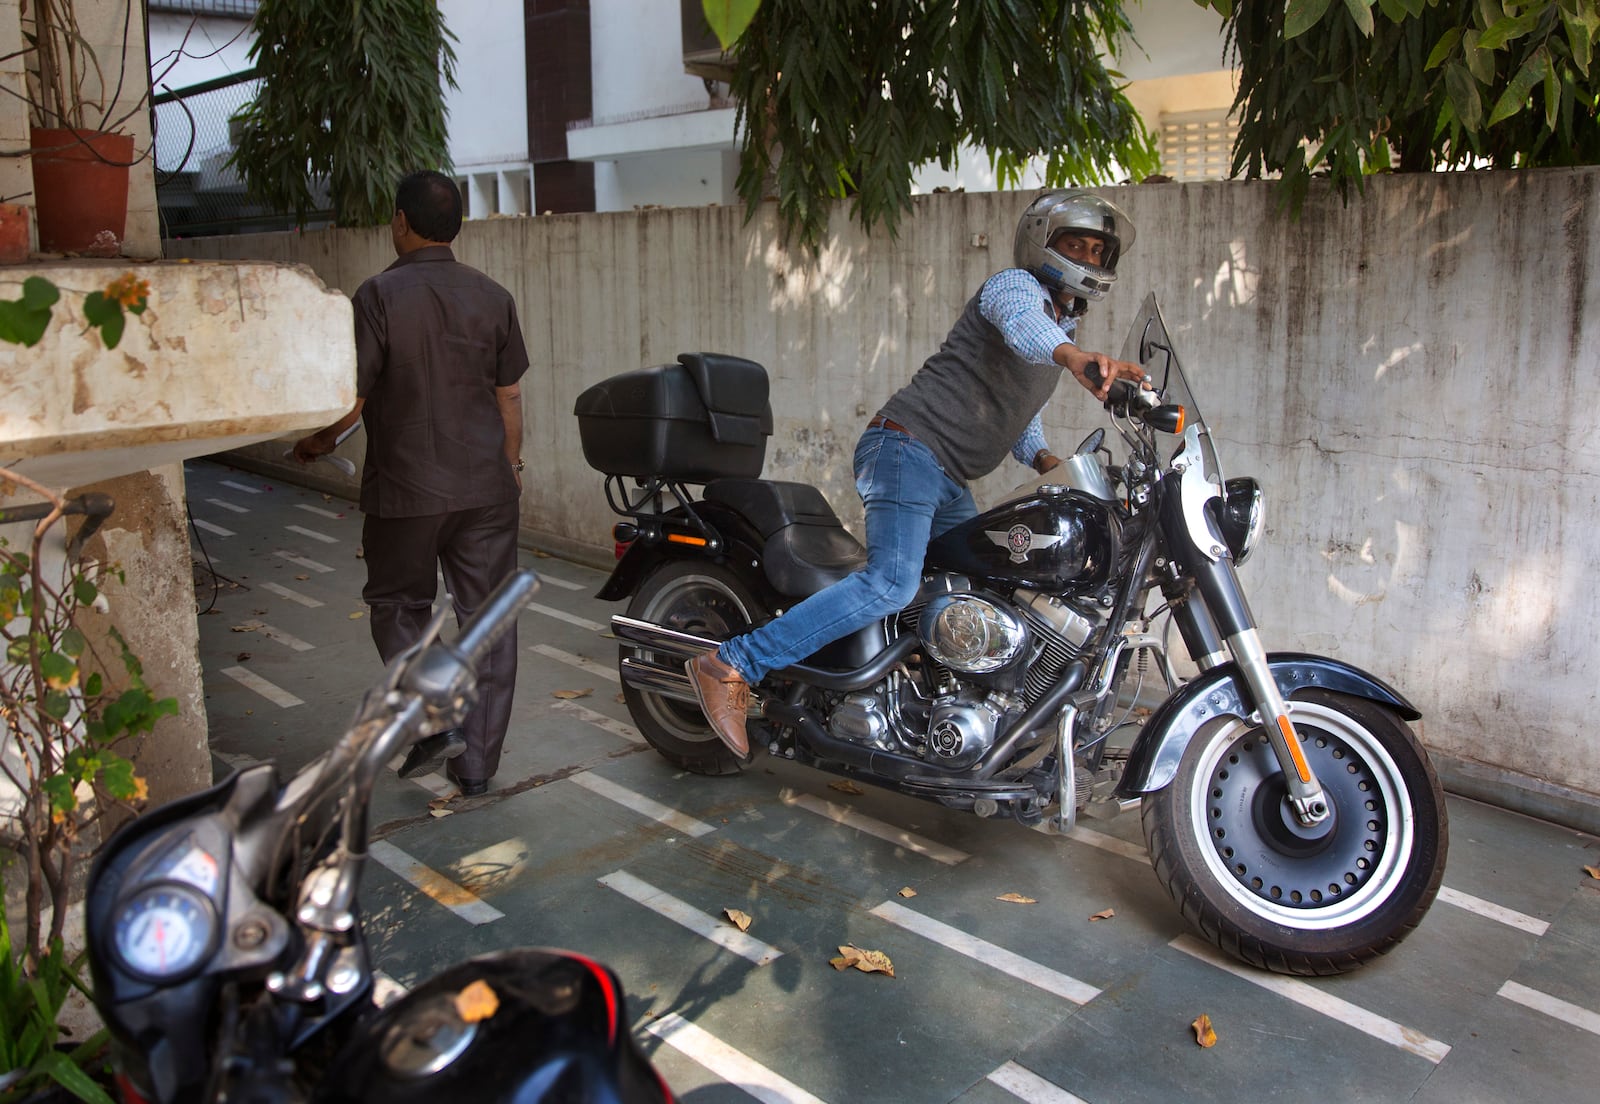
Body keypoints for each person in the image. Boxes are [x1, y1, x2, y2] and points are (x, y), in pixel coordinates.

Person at [686, 189, 1146, 757]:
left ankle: (920, 712)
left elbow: (1018, 412)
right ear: (1041, 245)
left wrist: (1050, 462)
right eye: (1075, 244)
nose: (1088, 258)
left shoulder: (1062, 332)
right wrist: (1074, 360)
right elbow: (1025, 326)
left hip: (946, 473)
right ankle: (731, 662)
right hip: (905, 448)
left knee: (976, 588)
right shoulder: (1014, 289)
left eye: (1098, 250)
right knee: (892, 582)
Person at [294, 171, 528, 797]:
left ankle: (433, 720)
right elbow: (509, 397)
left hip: (407, 491)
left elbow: (354, 397)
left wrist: (315, 443)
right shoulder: (494, 296)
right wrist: (511, 468)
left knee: (398, 607)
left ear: (401, 221)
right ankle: (476, 767)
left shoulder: (377, 296)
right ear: (455, 227)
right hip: (487, 486)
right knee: (488, 621)